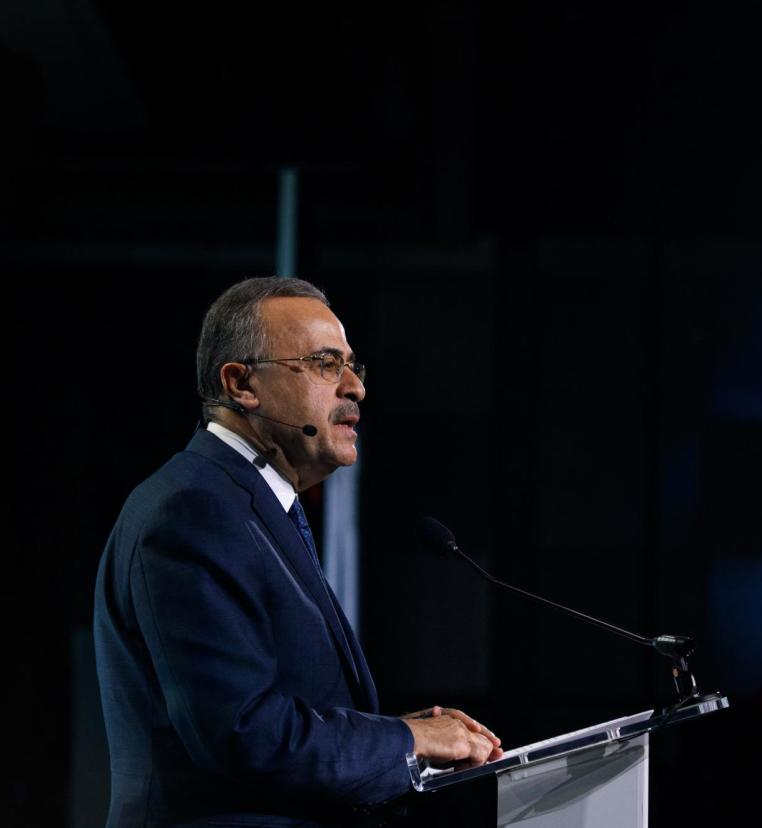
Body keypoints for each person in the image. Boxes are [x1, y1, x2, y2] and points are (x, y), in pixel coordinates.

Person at [94, 277, 501, 827]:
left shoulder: (250, 503)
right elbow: (243, 732)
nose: (354, 387)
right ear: (242, 384)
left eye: (353, 366)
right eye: (326, 364)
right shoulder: (194, 511)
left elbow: (281, 712)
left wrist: (400, 739)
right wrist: (408, 738)